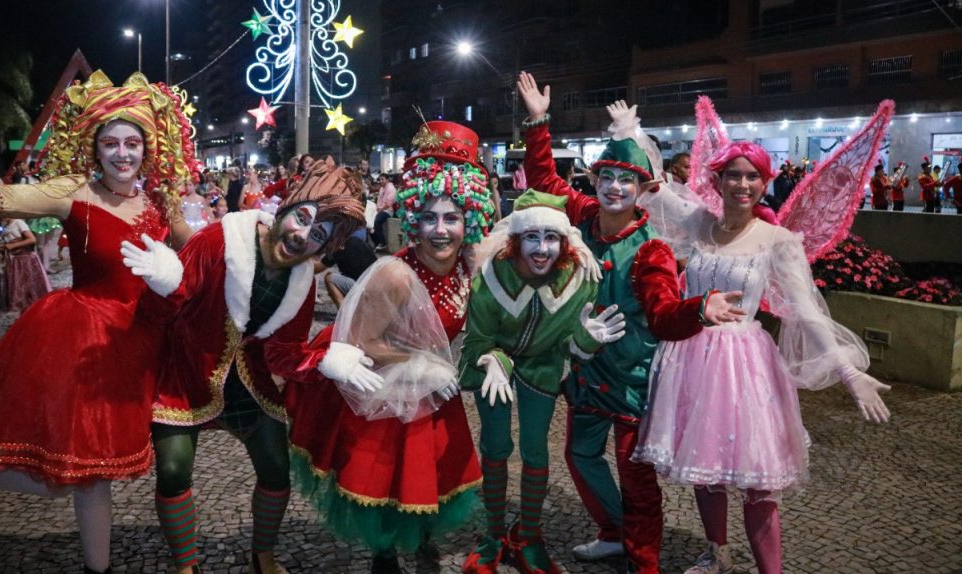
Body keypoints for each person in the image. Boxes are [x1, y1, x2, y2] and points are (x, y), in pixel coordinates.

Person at [0, 70, 199, 574]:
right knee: (81, 477)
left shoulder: (162, 202)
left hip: (146, 345)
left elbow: (200, 251)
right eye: (110, 143)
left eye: (132, 143)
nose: (122, 154)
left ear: (149, 147)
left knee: (91, 475)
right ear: (94, 148)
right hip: (84, 345)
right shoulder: (72, 192)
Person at [517, 71, 742, 572]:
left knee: (636, 476)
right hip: (584, 373)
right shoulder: (582, 219)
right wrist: (538, 122)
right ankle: (614, 530)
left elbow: (662, 316)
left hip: (632, 382)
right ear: (596, 182)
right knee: (580, 455)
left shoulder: (652, 251)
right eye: (608, 177)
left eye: (627, 179)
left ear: (644, 189)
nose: (616, 187)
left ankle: (644, 561)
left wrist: (699, 309)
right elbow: (545, 181)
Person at [634, 140, 891, 574]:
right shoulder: (699, 224)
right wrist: (632, 132)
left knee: (757, 482)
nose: (743, 184)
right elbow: (650, 191)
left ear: (766, 182)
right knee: (704, 469)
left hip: (743, 367)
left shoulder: (778, 240)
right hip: (692, 358)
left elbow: (807, 313)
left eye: (753, 175)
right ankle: (717, 553)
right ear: (717, 181)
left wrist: (848, 373)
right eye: (733, 174)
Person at [122, 156, 366, 574]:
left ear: (323, 249)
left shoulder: (301, 283)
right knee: (174, 470)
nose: (301, 235)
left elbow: (282, 354)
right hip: (185, 372)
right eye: (302, 218)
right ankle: (186, 566)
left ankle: (263, 556)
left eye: (318, 235)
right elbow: (164, 311)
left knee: (276, 467)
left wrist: (325, 360)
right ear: (286, 207)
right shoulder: (220, 240)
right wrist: (165, 285)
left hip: (248, 380)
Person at [283, 120, 496, 574]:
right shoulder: (397, 275)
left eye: (452, 218)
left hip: (430, 390)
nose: (440, 231)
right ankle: (384, 554)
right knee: (384, 483)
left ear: (469, 220)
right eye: (429, 217)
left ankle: (415, 539)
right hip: (380, 394)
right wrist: (423, 364)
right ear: (412, 218)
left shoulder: (466, 268)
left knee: (425, 479)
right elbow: (363, 343)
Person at [458, 189, 625, 574]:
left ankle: (529, 534)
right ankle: (495, 533)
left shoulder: (579, 279)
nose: (541, 248)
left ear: (564, 242)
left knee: (536, 449)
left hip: (543, 365)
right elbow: (477, 338)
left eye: (551, 238)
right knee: (495, 444)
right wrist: (490, 359)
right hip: (494, 365)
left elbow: (570, 344)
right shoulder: (490, 277)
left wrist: (587, 340)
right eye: (532, 237)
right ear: (515, 240)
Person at [0, 217, 51, 312]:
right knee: (20, 290)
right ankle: (25, 315)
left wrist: (13, 245)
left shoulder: (18, 222)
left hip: (25, 260)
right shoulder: (5, 225)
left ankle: (33, 315)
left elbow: (32, 239)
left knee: (29, 289)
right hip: (15, 260)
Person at [371, 172, 397, 249]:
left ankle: (383, 242)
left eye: (382, 179)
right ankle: (376, 243)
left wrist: (380, 210)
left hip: (387, 211)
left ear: (387, 180)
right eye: (380, 179)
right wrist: (376, 209)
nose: (381, 181)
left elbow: (388, 204)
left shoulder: (391, 188)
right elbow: (379, 201)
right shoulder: (381, 188)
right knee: (368, 222)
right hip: (379, 210)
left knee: (376, 221)